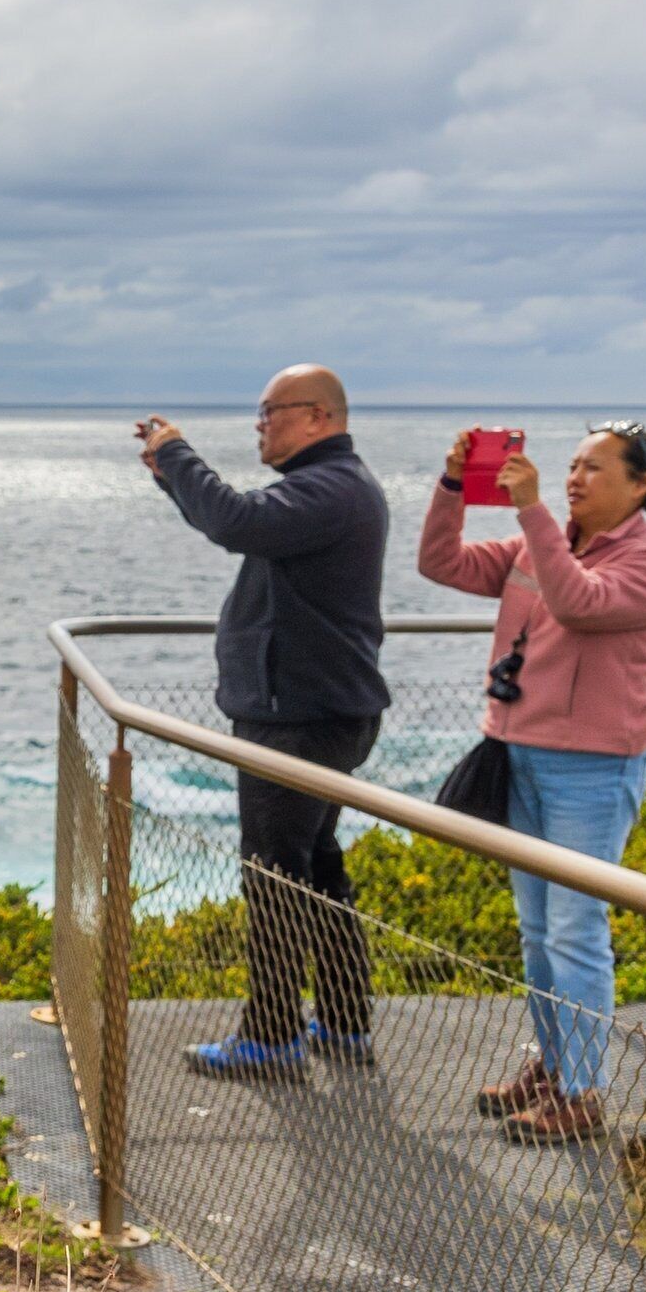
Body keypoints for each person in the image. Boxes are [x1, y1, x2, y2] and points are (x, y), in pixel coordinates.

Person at [418, 421, 646, 1145]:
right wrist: (453, 489)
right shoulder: (543, 544)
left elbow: (579, 603)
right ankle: (557, 1065)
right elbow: (440, 563)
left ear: (640, 485)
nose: (572, 478)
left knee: (575, 931)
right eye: (570, 465)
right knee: (537, 932)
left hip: (592, 770)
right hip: (521, 755)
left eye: (593, 469)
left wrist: (533, 514)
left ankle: (583, 1091)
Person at [135, 366, 390, 1081]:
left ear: (317, 417)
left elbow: (237, 522)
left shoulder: (329, 488)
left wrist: (180, 455)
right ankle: (342, 1022)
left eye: (268, 413)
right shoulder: (332, 487)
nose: (259, 426)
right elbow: (241, 525)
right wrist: (171, 476)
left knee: (275, 875)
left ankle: (272, 1039)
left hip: (300, 718)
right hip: (321, 710)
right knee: (317, 866)